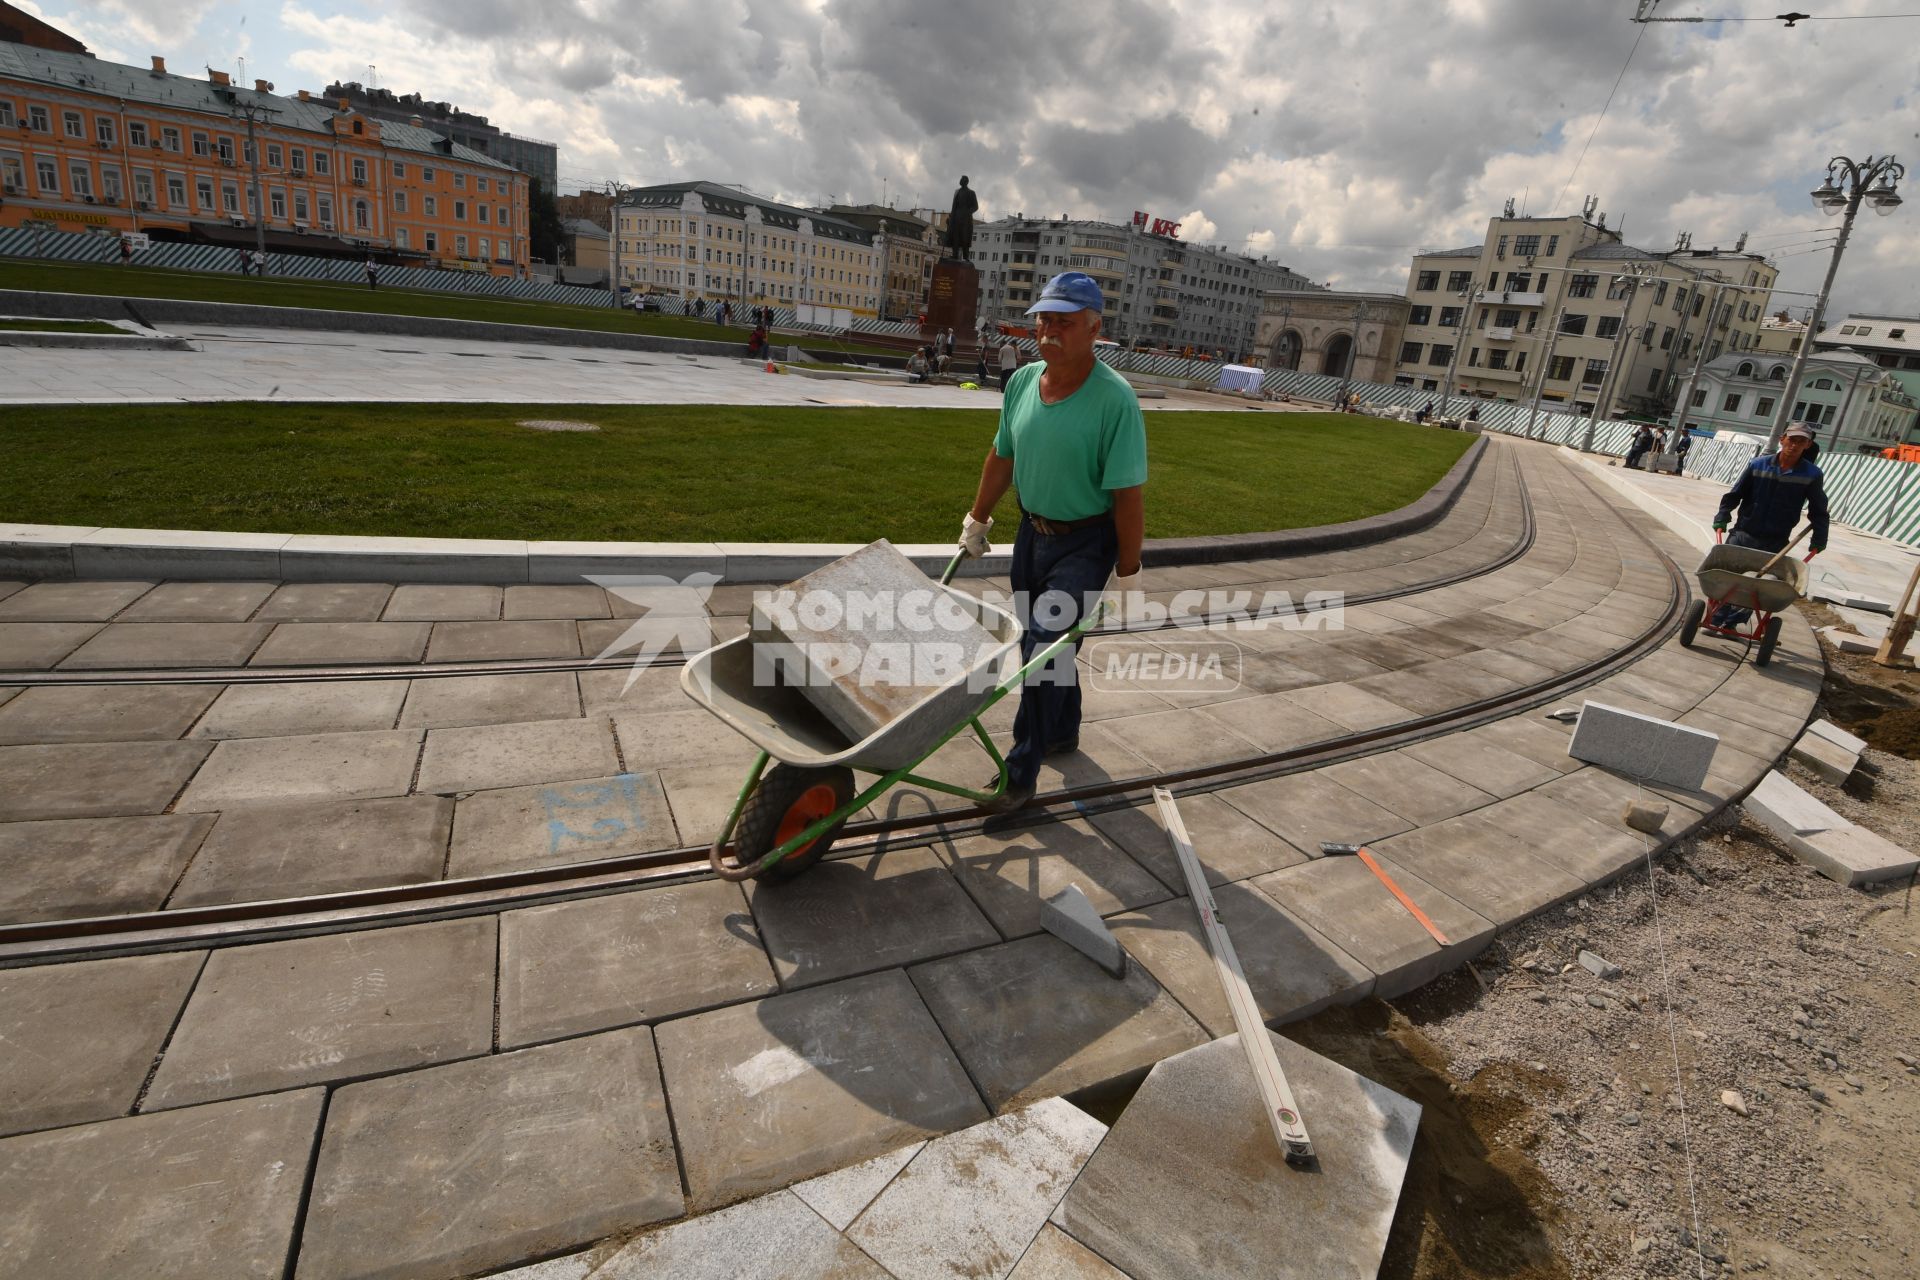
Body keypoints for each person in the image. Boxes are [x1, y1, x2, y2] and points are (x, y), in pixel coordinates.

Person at [960, 271, 1147, 820]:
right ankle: (1061, 730)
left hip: (1087, 543)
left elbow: (1128, 496)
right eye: (1043, 319)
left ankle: (1019, 777)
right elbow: (1002, 456)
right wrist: (978, 518)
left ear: (1094, 329)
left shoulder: (1115, 401)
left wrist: (1130, 573)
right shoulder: (1022, 383)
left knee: (1040, 655)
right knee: (1042, 645)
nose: (1048, 331)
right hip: (1031, 533)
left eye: (1063, 322)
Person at [1709, 422, 1829, 629]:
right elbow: (1734, 495)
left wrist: (1820, 537)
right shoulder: (1758, 465)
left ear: (1807, 445)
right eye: (1792, 440)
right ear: (1782, 439)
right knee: (1730, 578)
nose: (1794, 445)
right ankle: (1715, 617)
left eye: (1801, 441)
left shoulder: (1812, 475)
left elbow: (1819, 510)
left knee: (1757, 585)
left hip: (1776, 539)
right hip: (1744, 532)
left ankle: (1731, 623)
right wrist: (1723, 515)